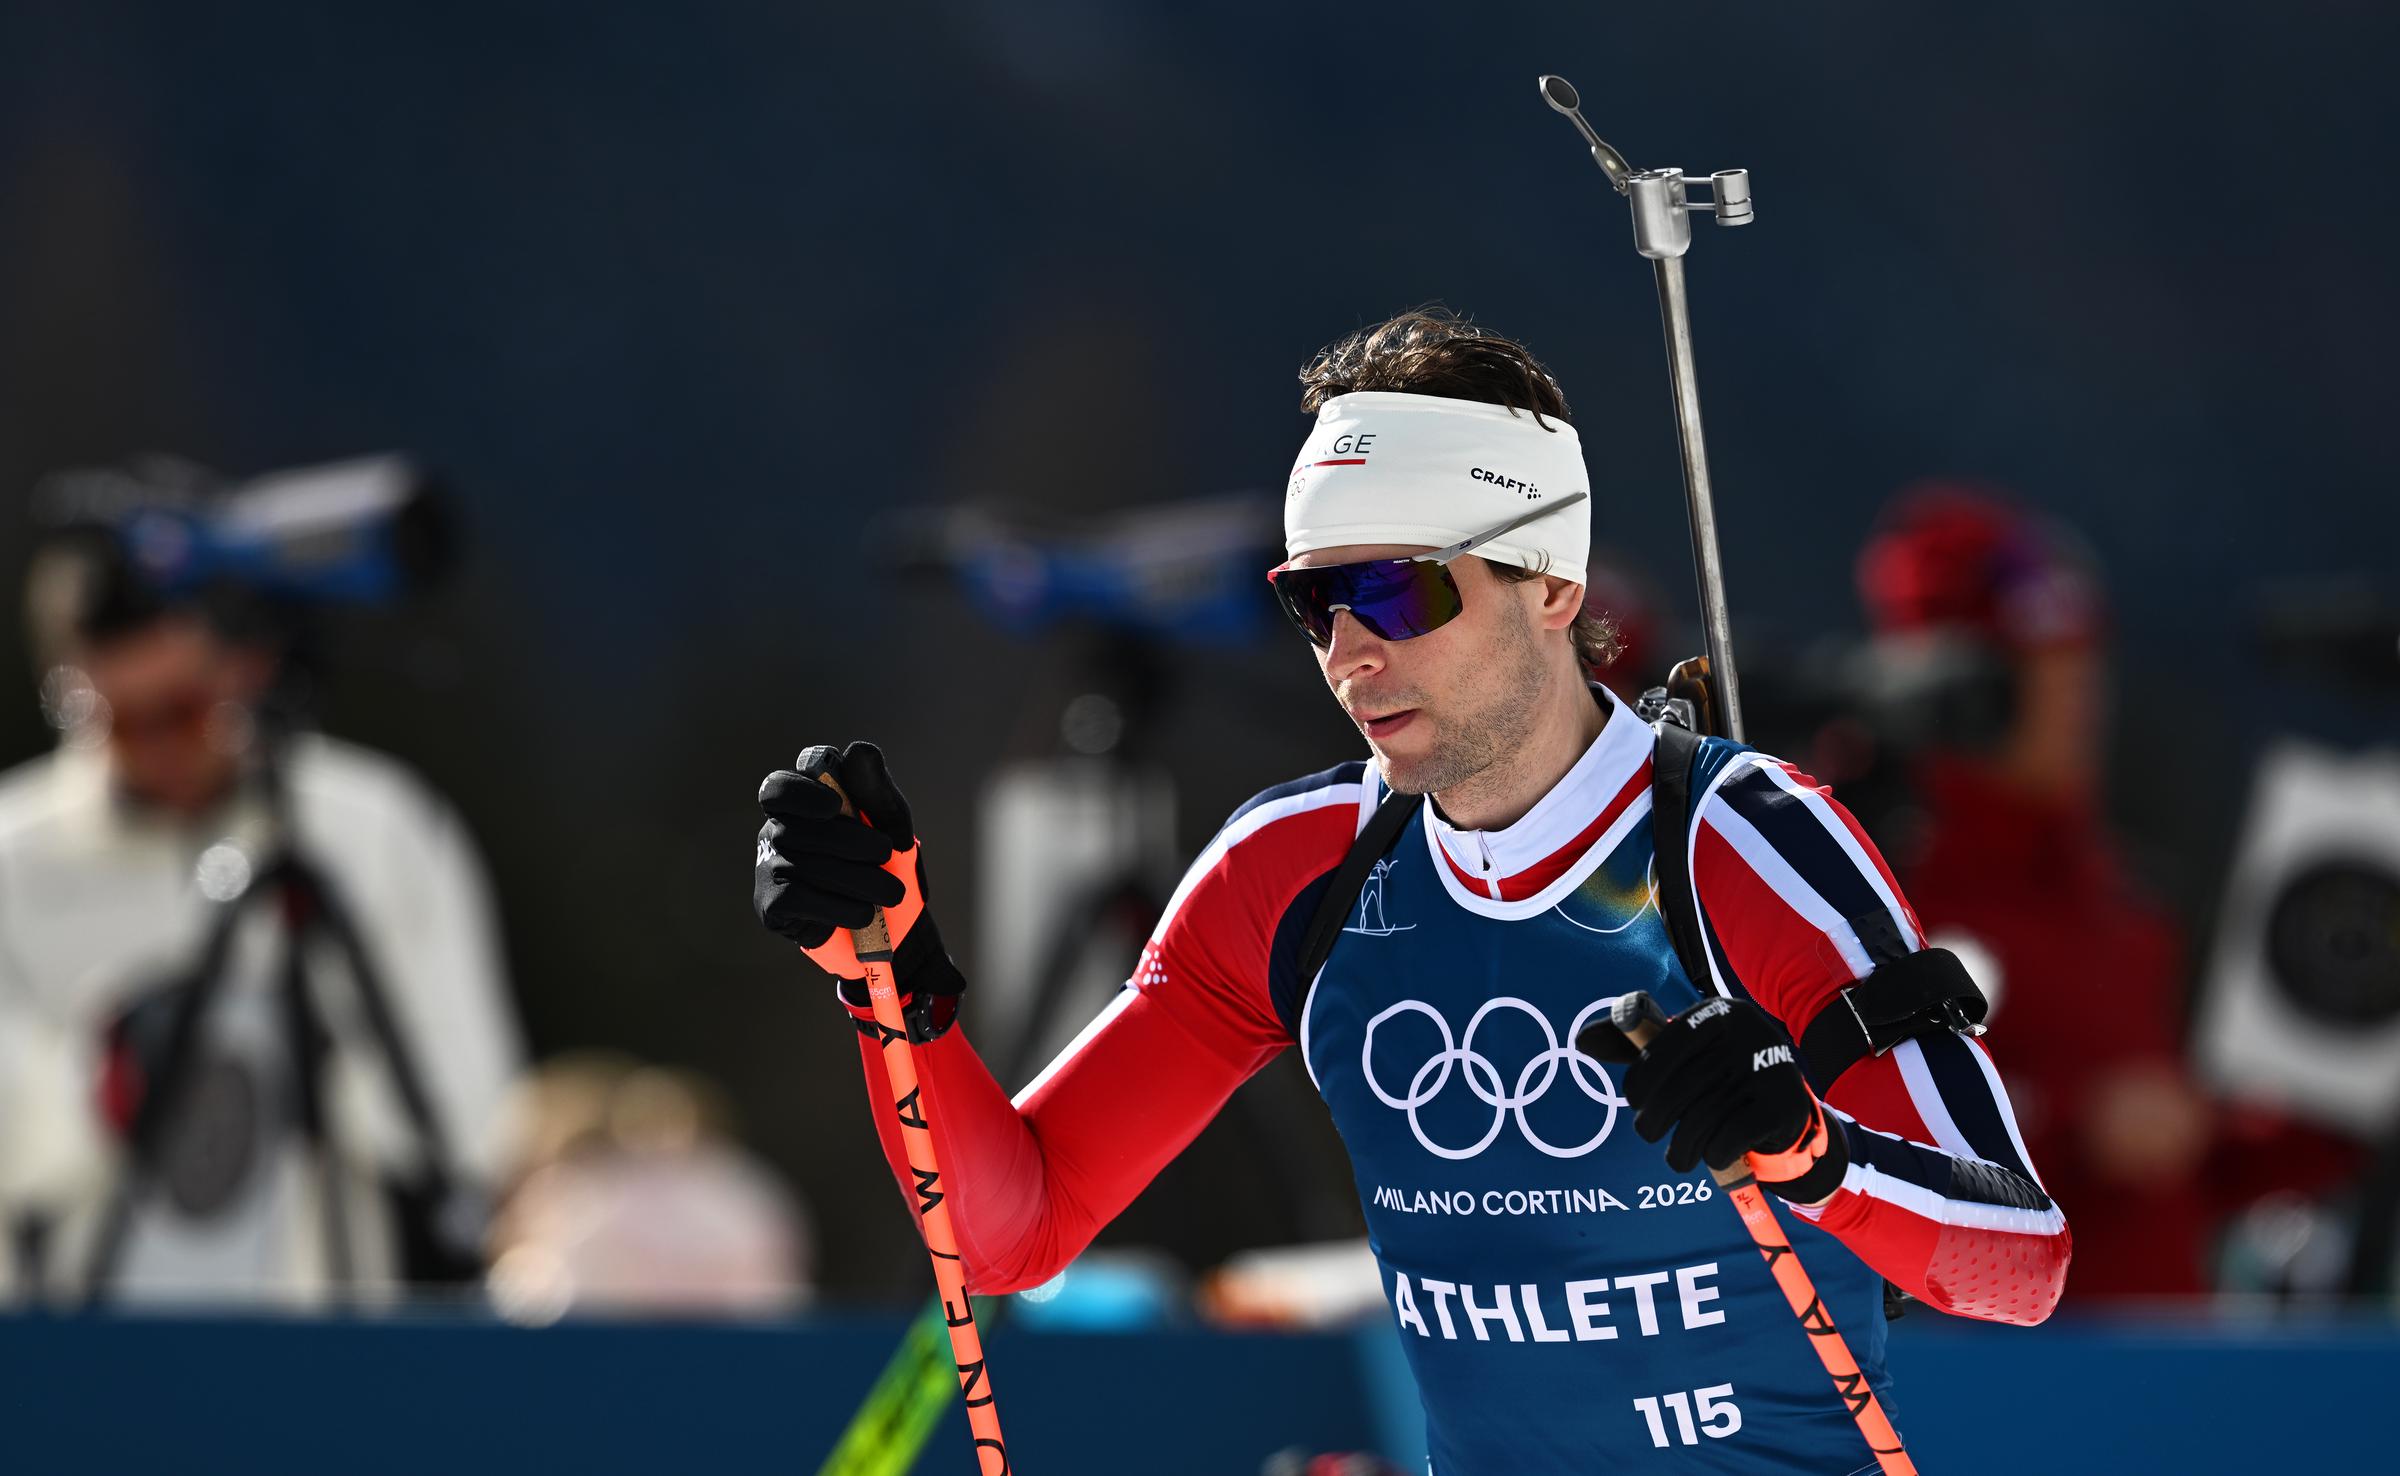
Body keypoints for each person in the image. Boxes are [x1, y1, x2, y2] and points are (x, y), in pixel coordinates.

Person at [755, 311, 2069, 1472]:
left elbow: (2022, 1264)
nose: (1350, 652)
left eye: (1397, 590)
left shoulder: (1741, 844)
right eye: (1315, 601)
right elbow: (1013, 1231)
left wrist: (1814, 1154)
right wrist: (892, 978)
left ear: (1551, 583)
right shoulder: (1294, 873)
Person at [0, 514, 522, 1304]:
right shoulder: (14, 856)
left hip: (322, 1328)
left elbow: (477, 1115)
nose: (158, 747)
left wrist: (305, 1042)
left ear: (246, 668)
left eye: (183, 710)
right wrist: (99, 1085)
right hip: (75, 1339)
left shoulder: (372, 831)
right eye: (115, 722)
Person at [1854, 483, 2354, 1300]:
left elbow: (2194, 1172)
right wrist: (2074, 1125)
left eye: (2083, 666)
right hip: (1989, 1362)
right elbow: (1849, 1142)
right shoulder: (1875, 899)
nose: (2079, 700)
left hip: (2172, 1354)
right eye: (2040, 672)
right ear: (1962, 687)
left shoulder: (2126, 907)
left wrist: (2340, 1106)